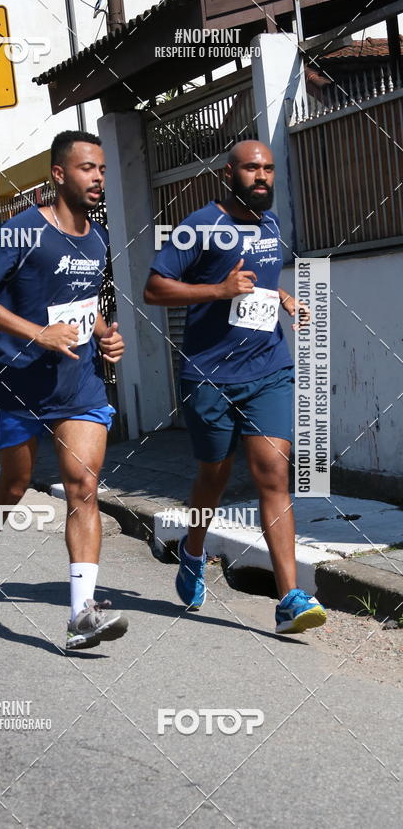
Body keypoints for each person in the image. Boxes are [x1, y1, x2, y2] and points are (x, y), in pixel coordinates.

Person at [144, 140, 327, 635]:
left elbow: (259, 282)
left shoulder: (269, 224)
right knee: (214, 478)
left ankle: (290, 597)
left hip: (268, 368)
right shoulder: (198, 227)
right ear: (229, 173)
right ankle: (193, 548)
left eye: (268, 168)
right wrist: (218, 290)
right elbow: (154, 288)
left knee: (272, 473)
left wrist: (283, 297)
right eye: (251, 168)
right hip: (209, 376)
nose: (262, 175)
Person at [0, 130, 128, 651]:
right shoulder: (24, 229)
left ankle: (82, 614)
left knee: (82, 485)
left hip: (79, 385)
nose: (98, 177)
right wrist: (37, 333)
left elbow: (80, 304)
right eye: (86, 168)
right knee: (14, 484)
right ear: (59, 175)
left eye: (100, 168)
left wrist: (105, 334)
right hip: (22, 381)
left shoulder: (98, 240)